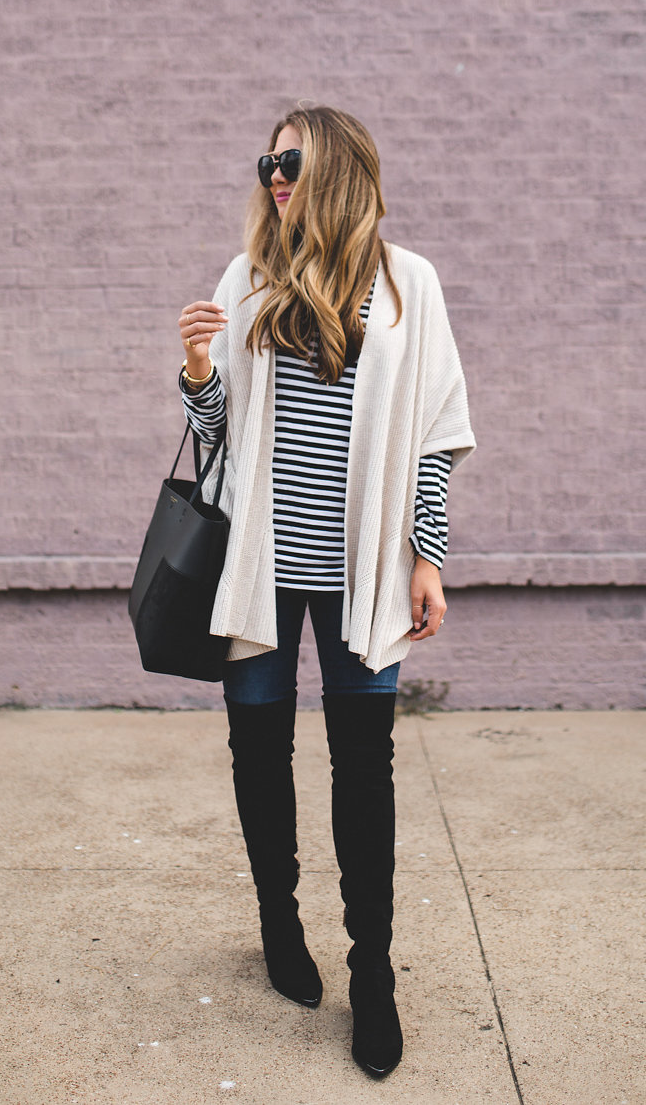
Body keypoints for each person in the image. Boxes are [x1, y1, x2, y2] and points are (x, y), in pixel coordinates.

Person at [176, 103, 475, 1079]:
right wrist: (193, 372)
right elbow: (216, 438)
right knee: (259, 756)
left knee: (364, 771)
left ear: (338, 168)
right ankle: (279, 928)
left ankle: (372, 975)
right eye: (266, 159)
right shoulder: (246, 277)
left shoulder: (407, 284)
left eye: (291, 160)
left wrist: (426, 555)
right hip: (258, 565)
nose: (273, 174)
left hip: (365, 571)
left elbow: (433, 430)